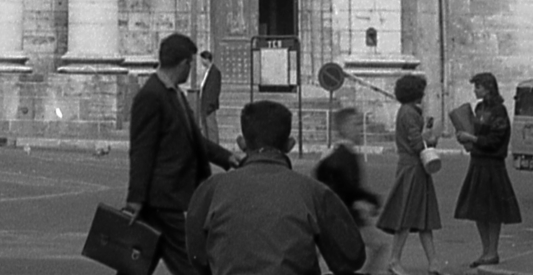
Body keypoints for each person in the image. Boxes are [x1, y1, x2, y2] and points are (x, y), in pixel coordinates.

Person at [186, 98, 364, 275]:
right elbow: (351, 256)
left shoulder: (210, 191)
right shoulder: (313, 192)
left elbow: (197, 256)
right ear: (290, 145)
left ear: (242, 143)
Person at [125, 32, 237, 275]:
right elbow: (142, 151)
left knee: (137, 263)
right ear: (184, 63)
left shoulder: (174, 94)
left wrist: (226, 157)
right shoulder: (151, 96)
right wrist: (135, 199)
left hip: (165, 199)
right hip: (164, 198)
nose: (191, 69)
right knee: (191, 264)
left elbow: (193, 140)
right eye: (191, 63)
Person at [452, 72, 521, 269]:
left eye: (478, 87)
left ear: (488, 88)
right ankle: (485, 251)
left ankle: (493, 251)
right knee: (479, 210)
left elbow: (496, 139)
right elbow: (476, 132)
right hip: (477, 162)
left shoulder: (499, 110)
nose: (475, 91)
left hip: (492, 164)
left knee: (492, 210)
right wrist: (463, 137)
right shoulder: (479, 107)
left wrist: (472, 139)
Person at [375, 72, 441, 274]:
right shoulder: (410, 113)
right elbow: (415, 143)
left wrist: (427, 139)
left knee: (422, 217)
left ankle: (433, 263)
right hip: (413, 167)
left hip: (412, 167)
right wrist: (429, 140)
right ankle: (394, 260)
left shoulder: (406, 111)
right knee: (408, 215)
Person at [314, 107, 387, 274]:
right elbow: (347, 187)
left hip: (345, 216)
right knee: (374, 247)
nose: (360, 129)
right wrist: (370, 200)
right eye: (355, 124)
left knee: (376, 246)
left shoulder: (341, 154)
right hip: (343, 218)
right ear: (344, 128)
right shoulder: (341, 156)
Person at [197, 50, 222, 144]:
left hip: (209, 105)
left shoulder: (215, 72)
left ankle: (214, 146)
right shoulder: (206, 72)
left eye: (202, 59)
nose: (201, 62)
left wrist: (211, 104)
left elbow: (215, 89)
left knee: (211, 127)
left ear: (207, 59)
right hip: (204, 103)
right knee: (205, 127)